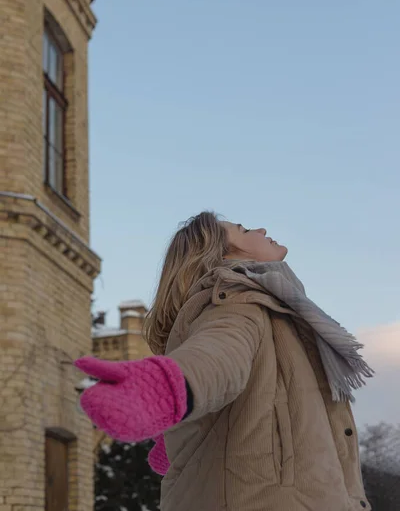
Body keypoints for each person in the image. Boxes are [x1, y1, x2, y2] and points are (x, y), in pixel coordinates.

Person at [76, 211, 373, 511]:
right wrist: (164, 388)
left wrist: (191, 432)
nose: (261, 228)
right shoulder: (237, 301)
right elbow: (217, 354)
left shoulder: (274, 310)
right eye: (244, 229)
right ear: (223, 253)